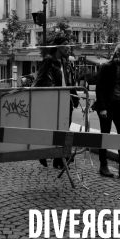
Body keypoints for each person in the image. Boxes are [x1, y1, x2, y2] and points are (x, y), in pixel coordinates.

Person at [34, 36, 79, 169]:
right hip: (53, 101)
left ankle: (59, 160)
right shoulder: (49, 60)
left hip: (67, 100)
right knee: (54, 130)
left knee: (65, 130)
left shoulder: (65, 62)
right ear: (57, 46)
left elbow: (68, 81)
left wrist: (74, 96)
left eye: (68, 44)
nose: (68, 47)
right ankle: (45, 153)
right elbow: (39, 80)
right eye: (65, 44)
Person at [94, 42, 120, 179]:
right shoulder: (105, 66)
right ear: (117, 54)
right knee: (105, 136)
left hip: (118, 105)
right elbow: (99, 88)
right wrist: (102, 108)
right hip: (107, 105)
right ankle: (103, 166)